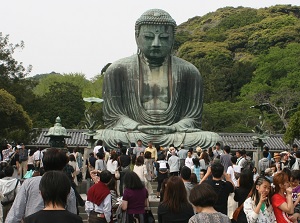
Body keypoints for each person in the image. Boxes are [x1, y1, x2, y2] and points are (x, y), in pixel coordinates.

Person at [97, 8, 220, 148]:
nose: (156, 43)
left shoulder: (189, 71)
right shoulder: (118, 69)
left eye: (163, 38)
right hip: (135, 132)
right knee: (102, 136)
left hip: (173, 133)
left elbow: (193, 118)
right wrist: (138, 127)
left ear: (173, 38)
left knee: (211, 139)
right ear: (137, 36)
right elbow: (114, 117)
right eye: (149, 37)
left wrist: (174, 127)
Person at [6, 148, 77, 223]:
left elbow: (14, 215)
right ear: (63, 166)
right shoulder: (67, 187)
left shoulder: (29, 183)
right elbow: (72, 215)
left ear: (44, 163)